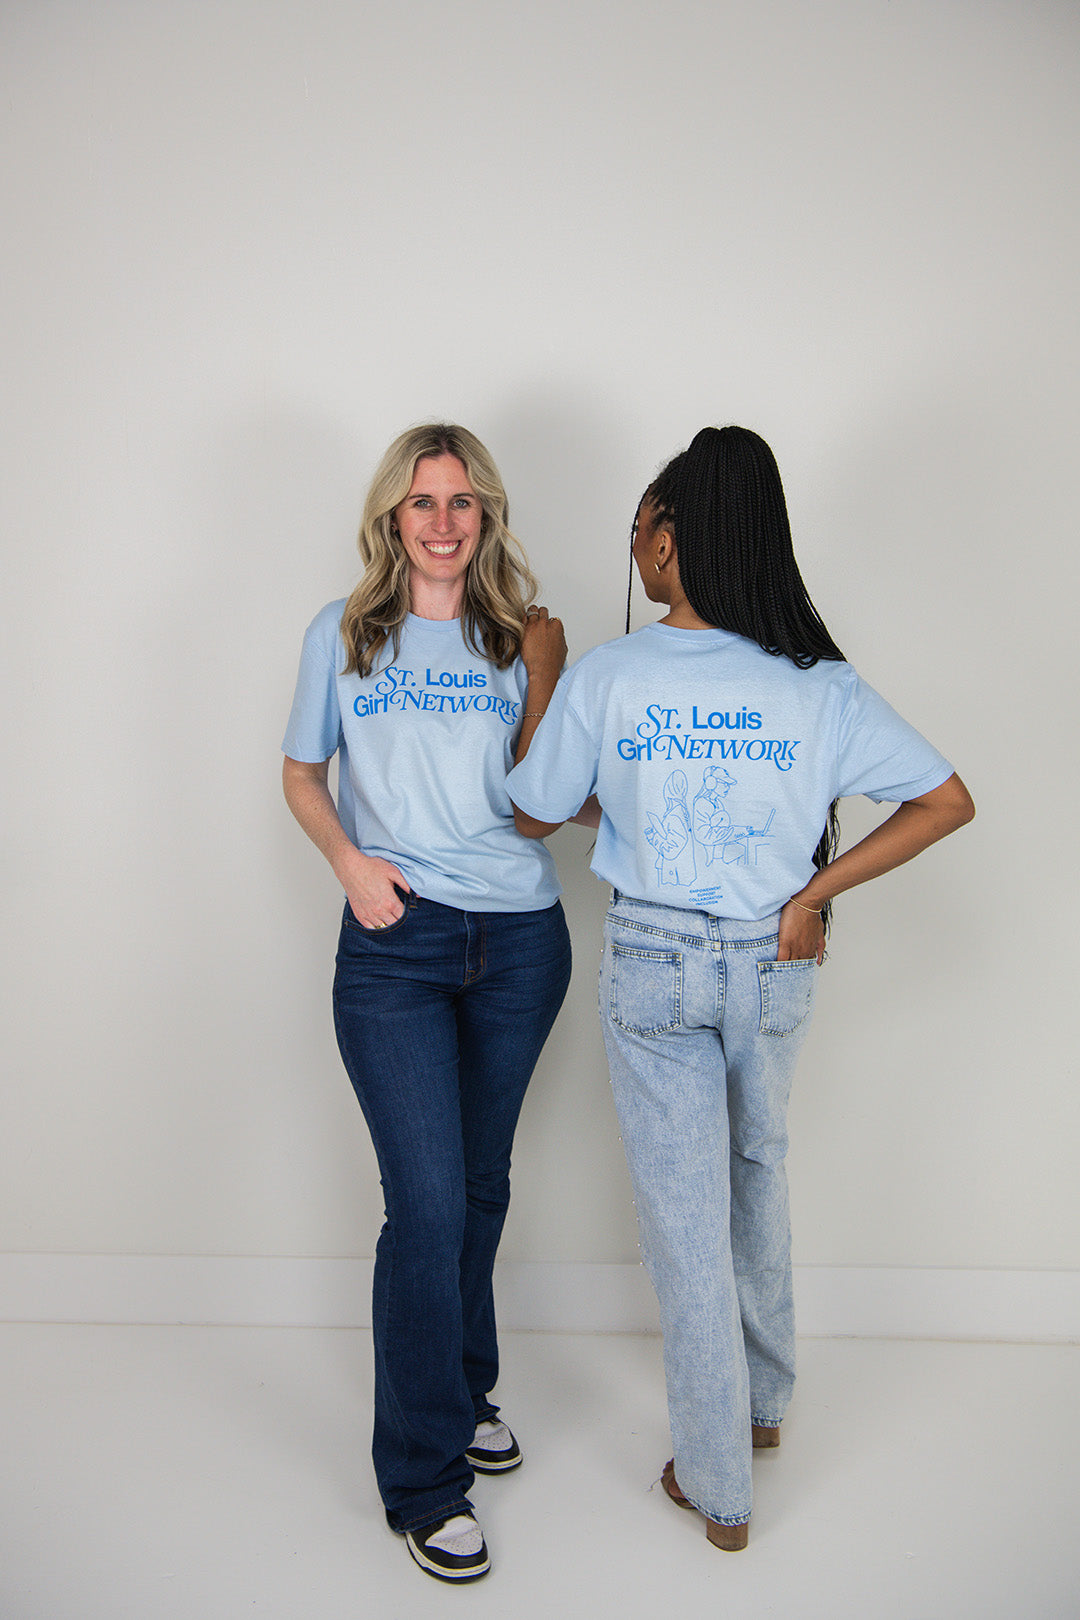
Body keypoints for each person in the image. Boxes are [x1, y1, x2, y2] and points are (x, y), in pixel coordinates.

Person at [506, 425, 974, 1550]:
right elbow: (946, 800)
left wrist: (544, 673)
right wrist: (814, 893)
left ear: (673, 538)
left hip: (655, 964)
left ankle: (719, 1486)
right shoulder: (820, 681)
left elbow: (530, 811)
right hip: (775, 962)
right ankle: (762, 1408)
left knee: (685, 1223)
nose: (634, 550)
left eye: (639, 530)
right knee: (757, 1175)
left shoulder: (611, 673)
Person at [282, 423, 572, 1583]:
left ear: (484, 514)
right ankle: (423, 1480)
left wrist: (549, 673)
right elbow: (302, 773)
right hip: (394, 947)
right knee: (429, 1203)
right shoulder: (345, 632)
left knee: (482, 1185)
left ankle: (461, 1388)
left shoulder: (518, 636)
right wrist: (351, 864)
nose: (443, 522)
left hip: (520, 943)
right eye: (422, 502)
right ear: (390, 519)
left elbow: (552, 799)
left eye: (461, 502)